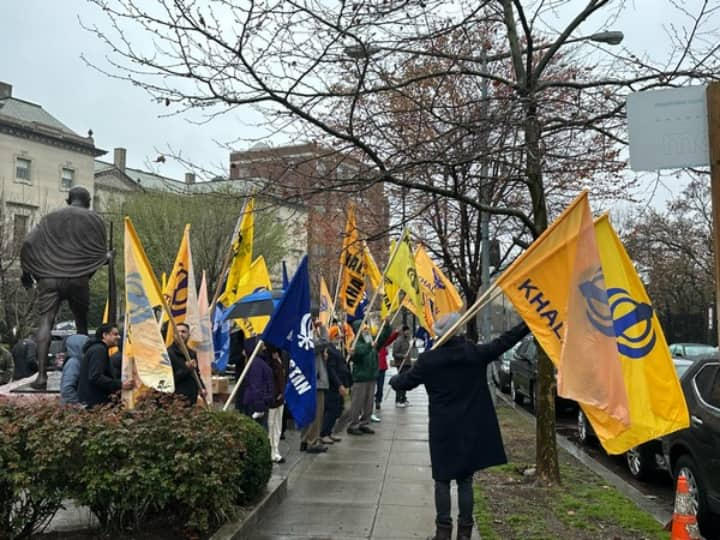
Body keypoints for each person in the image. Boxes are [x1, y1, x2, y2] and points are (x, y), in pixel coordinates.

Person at [390, 313, 529, 540]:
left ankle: (442, 533)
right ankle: (465, 533)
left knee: (442, 480)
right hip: (469, 427)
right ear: (459, 331)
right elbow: (506, 341)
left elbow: (403, 383)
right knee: (465, 479)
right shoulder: (474, 353)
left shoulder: (429, 360)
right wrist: (527, 324)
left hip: (443, 429)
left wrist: (394, 380)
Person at [20, 186, 108, 389]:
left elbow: (27, 243)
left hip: (49, 277)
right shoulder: (94, 219)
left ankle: (41, 377)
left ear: (69, 200)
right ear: (87, 202)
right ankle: (85, 374)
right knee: (82, 326)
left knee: (46, 322)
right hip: (78, 278)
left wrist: (27, 273)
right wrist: (106, 258)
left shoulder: (49, 218)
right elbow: (99, 255)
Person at [333, 320, 391, 436]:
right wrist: (370, 346)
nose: (366, 330)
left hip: (371, 376)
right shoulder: (355, 342)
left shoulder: (370, 340)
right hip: (360, 378)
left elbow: (383, 338)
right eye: (363, 328)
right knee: (357, 403)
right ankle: (353, 425)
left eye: (366, 327)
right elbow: (360, 351)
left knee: (369, 404)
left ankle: (364, 423)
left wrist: (386, 326)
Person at [78, 323, 134, 408]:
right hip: (96, 404)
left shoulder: (97, 349)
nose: (119, 337)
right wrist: (120, 384)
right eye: (115, 334)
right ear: (105, 335)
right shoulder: (99, 350)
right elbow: (96, 376)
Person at [301, 340, 329, 453]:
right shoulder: (306, 339)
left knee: (308, 414)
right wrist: (322, 327)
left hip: (311, 381)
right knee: (316, 414)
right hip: (315, 383)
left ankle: (305, 439)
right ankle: (312, 442)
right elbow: (324, 341)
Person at [167, 323, 205, 406]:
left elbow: (196, 373)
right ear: (173, 335)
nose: (180, 334)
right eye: (177, 332)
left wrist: (202, 387)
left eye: (183, 332)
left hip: (191, 396)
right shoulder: (168, 353)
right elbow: (169, 378)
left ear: (188, 335)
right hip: (176, 398)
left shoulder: (192, 353)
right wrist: (186, 368)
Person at [320, 342, 349, 444]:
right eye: (336, 335)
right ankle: (324, 433)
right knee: (332, 409)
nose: (339, 337)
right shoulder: (329, 349)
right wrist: (339, 384)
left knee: (338, 409)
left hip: (340, 383)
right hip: (333, 386)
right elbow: (331, 369)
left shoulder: (336, 348)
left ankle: (329, 431)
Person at [239, 347, 274, 430]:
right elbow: (256, 385)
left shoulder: (255, 363)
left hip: (257, 402)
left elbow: (256, 385)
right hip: (258, 403)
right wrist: (260, 406)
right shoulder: (259, 363)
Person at [266, 345, 286, 463]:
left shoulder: (281, 358)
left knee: (277, 425)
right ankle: (271, 451)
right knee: (271, 424)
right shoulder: (270, 360)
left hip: (280, 397)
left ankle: (275, 450)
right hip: (274, 397)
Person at [374, 326, 399, 417]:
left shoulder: (383, 343)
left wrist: (396, 333)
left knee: (380, 386)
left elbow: (390, 339)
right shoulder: (372, 343)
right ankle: (372, 400)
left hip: (382, 368)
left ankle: (378, 400)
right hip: (373, 368)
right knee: (372, 387)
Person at [59, 334, 89, 405]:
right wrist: (79, 405)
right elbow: (67, 388)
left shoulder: (79, 361)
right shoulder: (74, 363)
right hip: (73, 410)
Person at [392, 325, 417, 407]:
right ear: (403, 331)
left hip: (407, 363)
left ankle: (403, 399)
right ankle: (398, 400)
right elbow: (394, 353)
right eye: (407, 331)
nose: (408, 332)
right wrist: (402, 356)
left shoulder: (407, 340)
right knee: (400, 382)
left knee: (405, 382)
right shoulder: (398, 341)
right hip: (401, 364)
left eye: (409, 331)